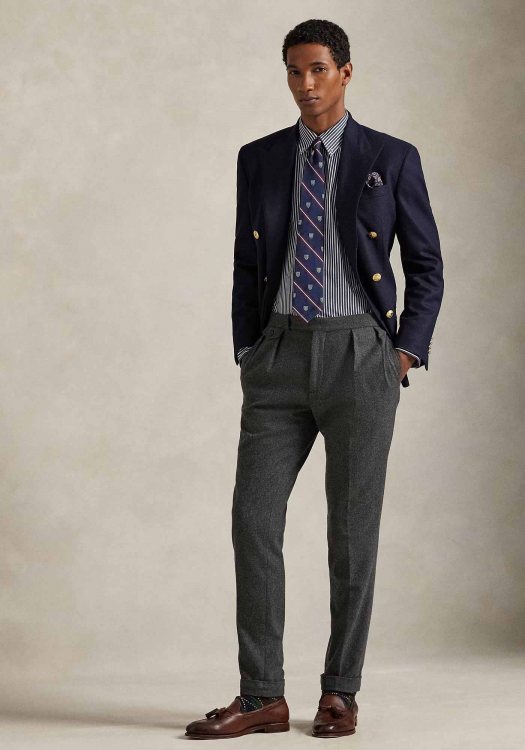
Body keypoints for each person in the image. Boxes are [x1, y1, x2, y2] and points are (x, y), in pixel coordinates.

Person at [185, 18, 443, 740]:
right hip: (278, 356)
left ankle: (339, 692)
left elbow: (426, 265)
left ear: (346, 72)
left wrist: (403, 352)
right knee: (252, 520)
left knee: (351, 536)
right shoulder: (260, 158)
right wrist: (249, 346)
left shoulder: (390, 157)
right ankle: (262, 695)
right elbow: (245, 260)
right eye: (295, 71)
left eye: (318, 69)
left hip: (361, 356)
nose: (305, 84)